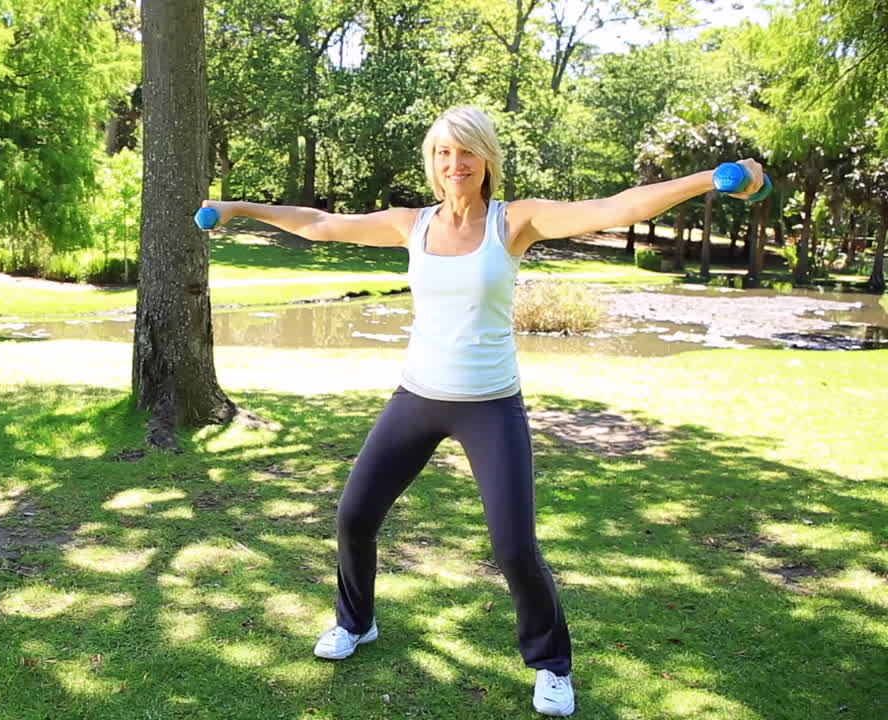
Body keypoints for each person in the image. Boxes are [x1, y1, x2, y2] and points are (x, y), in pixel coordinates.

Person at [198, 106, 765, 717]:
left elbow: (616, 207)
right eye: (443, 153)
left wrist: (710, 178)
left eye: (466, 152)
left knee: (515, 548)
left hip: (491, 406)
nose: (454, 164)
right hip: (417, 396)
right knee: (354, 517)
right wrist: (237, 209)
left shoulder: (513, 222)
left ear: (487, 158)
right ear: (432, 162)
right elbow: (319, 222)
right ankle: (356, 622)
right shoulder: (411, 225)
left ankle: (551, 666)